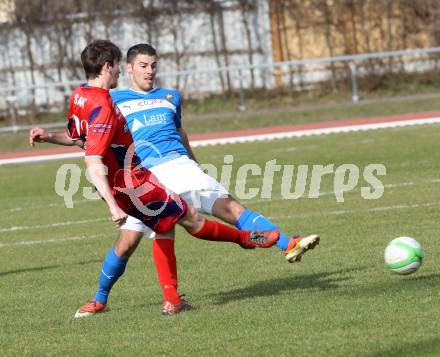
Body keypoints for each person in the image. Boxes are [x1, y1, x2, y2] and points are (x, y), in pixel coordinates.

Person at [29, 40, 280, 316]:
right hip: (136, 183)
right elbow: (92, 159)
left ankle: (125, 300)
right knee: (191, 218)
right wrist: (112, 205)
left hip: (126, 184)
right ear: (107, 67)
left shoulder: (80, 95)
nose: (119, 76)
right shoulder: (103, 104)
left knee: (148, 234)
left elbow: (81, 138)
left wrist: (49, 136)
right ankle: (246, 239)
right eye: (116, 69)